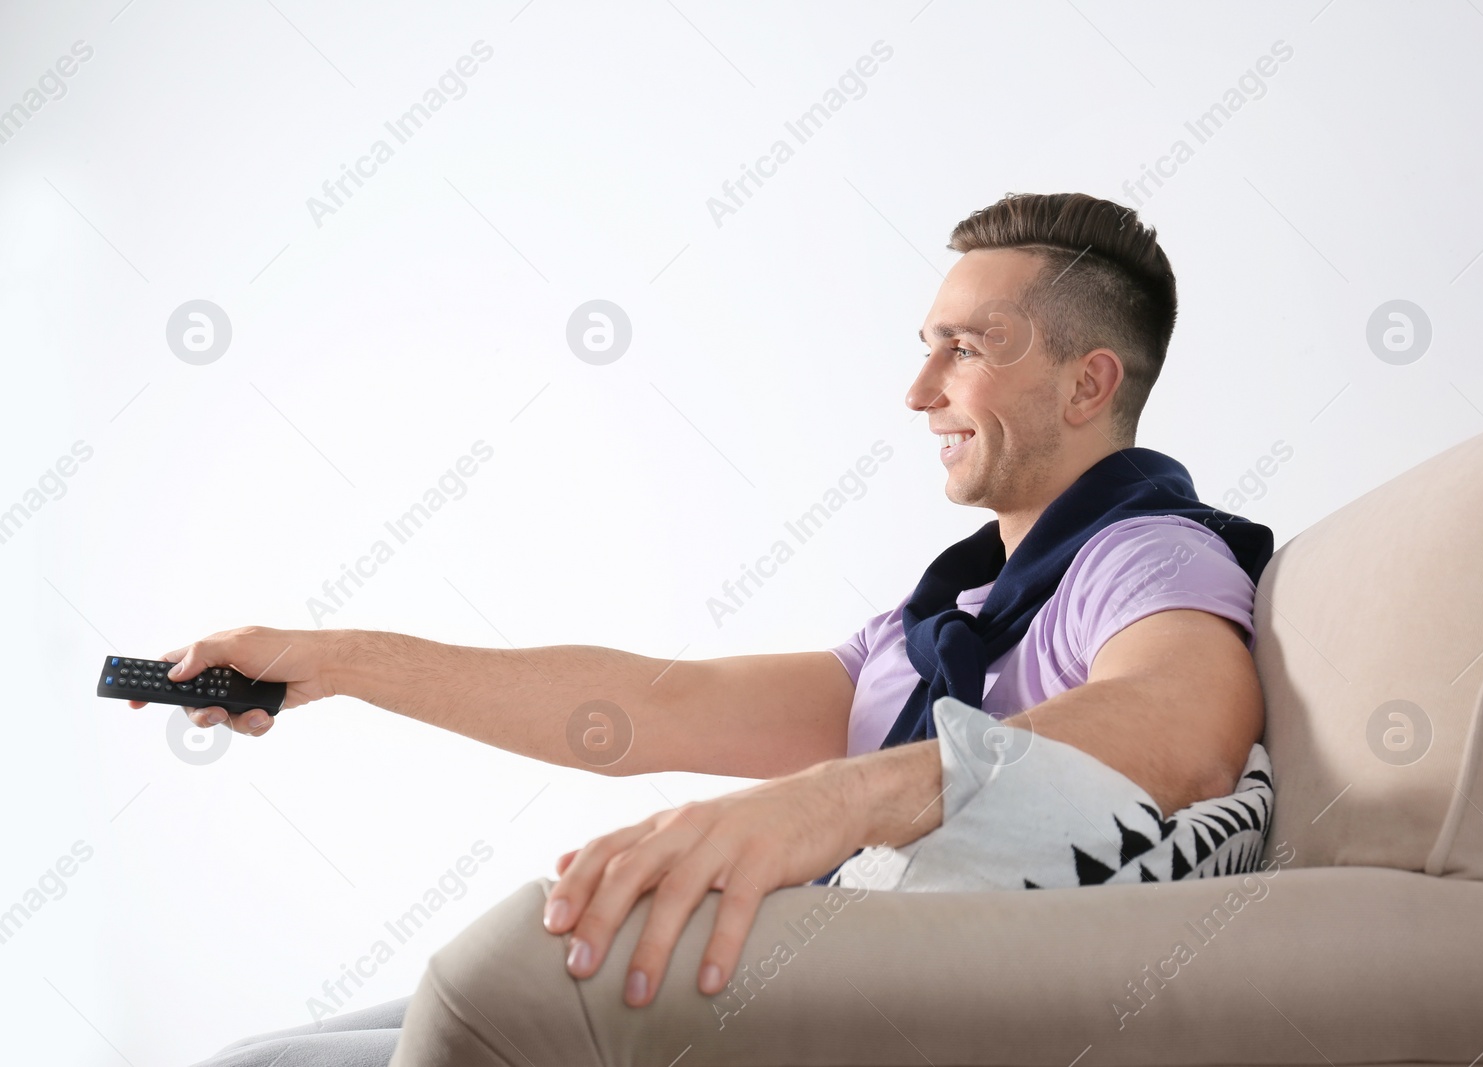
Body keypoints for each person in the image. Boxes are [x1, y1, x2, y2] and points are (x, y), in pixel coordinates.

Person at [168, 192, 1272, 1066]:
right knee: (261, 1054)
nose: (917, 390)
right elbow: (650, 706)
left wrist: (834, 797)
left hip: (865, 993)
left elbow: (1180, 725)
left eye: (966, 349)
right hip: (786, 965)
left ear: (1087, 384)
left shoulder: (1143, 553)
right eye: (924, 345)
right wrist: (335, 661)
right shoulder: (939, 621)